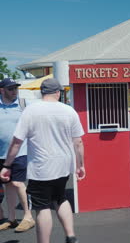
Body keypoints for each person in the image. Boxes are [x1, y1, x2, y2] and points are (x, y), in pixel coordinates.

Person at [0, 78, 86, 243]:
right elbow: (78, 142)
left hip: (41, 167)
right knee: (60, 198)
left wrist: (6, 165)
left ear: (42, 92)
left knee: (42, 207)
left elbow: (17, 142)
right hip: (63, 165)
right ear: (58, 92)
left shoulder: (31, 110)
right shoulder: (69, 111)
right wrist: (80, 165)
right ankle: (70, 235)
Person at [0, 78, 35, 232]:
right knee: (7, 185)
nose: (14, 91)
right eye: (10, 89)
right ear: (2, 90)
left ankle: (28, 217)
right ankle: (12, 219)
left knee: (17, 183)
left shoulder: (24, 104)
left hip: (20, 152)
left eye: (15, 88)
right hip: (1, 154)